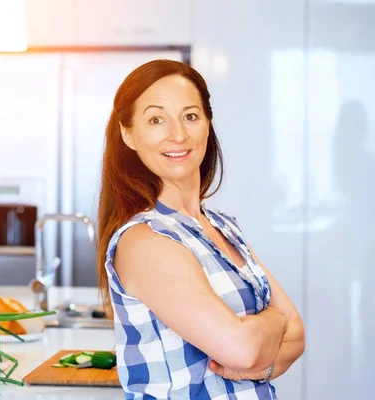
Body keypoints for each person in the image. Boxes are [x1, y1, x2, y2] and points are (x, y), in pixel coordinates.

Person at [96, 59, 305, 399]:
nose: (178, 134)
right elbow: (245, 350)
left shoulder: (222, 226)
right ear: (128, 133)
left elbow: (297, 337)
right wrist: (274, 324)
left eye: (190, 116)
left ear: (207, 123)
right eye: (156, 119)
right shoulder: (145, 241)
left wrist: (262, 354)